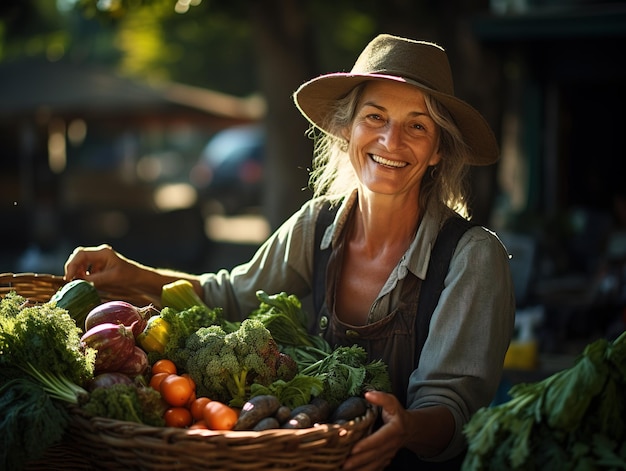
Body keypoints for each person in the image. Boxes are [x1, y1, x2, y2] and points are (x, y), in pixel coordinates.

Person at [64, 34, 515, 470]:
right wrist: (130, 273)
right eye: (375, 117)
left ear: (438, 150)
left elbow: (452, 409)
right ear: (346, 129)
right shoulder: (315, 225)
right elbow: (229, 295)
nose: (391, 141)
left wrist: (407, 427)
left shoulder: (470, 257)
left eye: (417, 125)